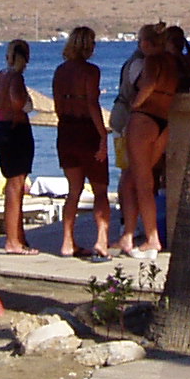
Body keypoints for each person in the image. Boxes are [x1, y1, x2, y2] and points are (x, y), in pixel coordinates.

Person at [52, 26, 111, 260]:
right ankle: (101, 240)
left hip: (66, 130)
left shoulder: (60, 71)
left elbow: (58, 106)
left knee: (73, 190)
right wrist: (103, 135)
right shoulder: (91, 71)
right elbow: (92, 104)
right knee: (100, 189)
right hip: (87, 130)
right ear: (87, 45)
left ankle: (67, 242)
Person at [120, 25, 175, 255]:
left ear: (145, 43)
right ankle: (128, 235)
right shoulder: (172, 61)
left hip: (144, 119)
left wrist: (135, 105)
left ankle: (152, 238)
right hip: (163, 121)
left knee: (142, 182)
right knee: (133, 180)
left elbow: (149, 84)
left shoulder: (152, 61)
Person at [0, 39, 36, 254]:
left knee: (14, 184)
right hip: (15, 130)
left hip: (2, 129)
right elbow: (20, 104)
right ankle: (12, 240)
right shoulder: (15, 78)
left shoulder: (0, 76)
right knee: (15, 186)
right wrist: (28, 101)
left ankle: (18, 236)